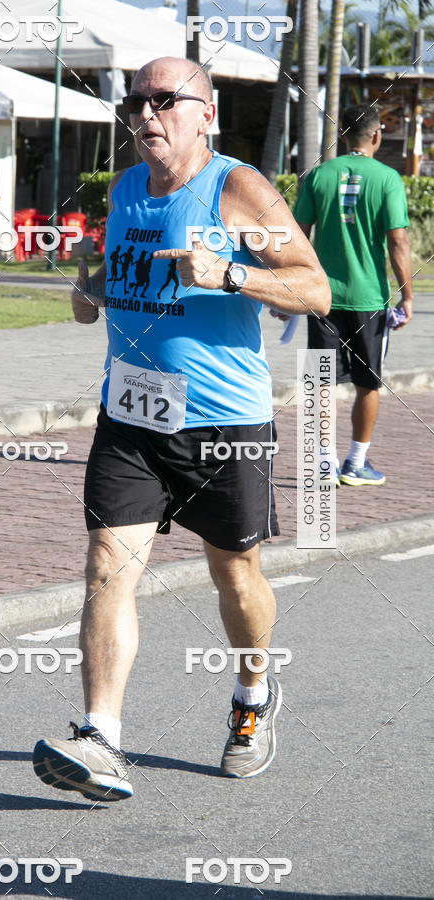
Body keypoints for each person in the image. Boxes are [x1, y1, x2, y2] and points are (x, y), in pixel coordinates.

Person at [33, 56, 330, 802]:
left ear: (209, 113)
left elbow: (315, 290)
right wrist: (91, 287)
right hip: (130, 418)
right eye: (135, 101)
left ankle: (254, 696)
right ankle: (101, 738)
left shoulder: (238, 189)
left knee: (234, 573)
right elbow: (121, 272)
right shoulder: (128, 188)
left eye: (166, 100)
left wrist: (231, 274)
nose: (146, 114)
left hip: (224, 425)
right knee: (108, 563)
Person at [294, 103, 413, 486]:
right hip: (368, 301)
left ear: (342, 135)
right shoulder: (388, 179)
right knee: (368, 383)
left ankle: (324, 463)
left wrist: (289, 287)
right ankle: (355, 463)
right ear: (377, 136)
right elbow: (398, 241)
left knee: (322, 383)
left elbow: (298, 237)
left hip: (322, 297)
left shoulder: (318, 176)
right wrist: (407, 296)